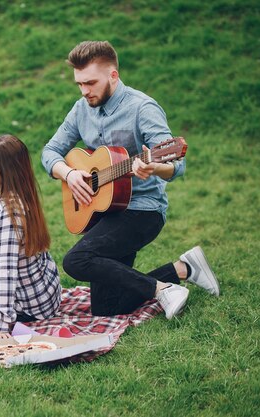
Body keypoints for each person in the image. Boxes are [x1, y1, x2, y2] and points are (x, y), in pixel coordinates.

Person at [41, 41, 220, 319]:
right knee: (108, 309)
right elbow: (49, 152)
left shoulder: (142, 108)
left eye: (90, 83)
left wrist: (155, 168)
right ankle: (183, 269)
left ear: (113, 75)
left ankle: (163, 289)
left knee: (76, 260)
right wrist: (69, 173)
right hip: (104, 212)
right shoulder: (81, 109)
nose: (84, 91)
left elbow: (177, 164)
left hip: (142, 211)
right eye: (79, 84)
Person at [0, 134, 62, 339]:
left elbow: (6, 272)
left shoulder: (10, 213)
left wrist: (0, 323)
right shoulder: (15, 195)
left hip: (28, 305)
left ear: (8, 171)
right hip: (44, 293)